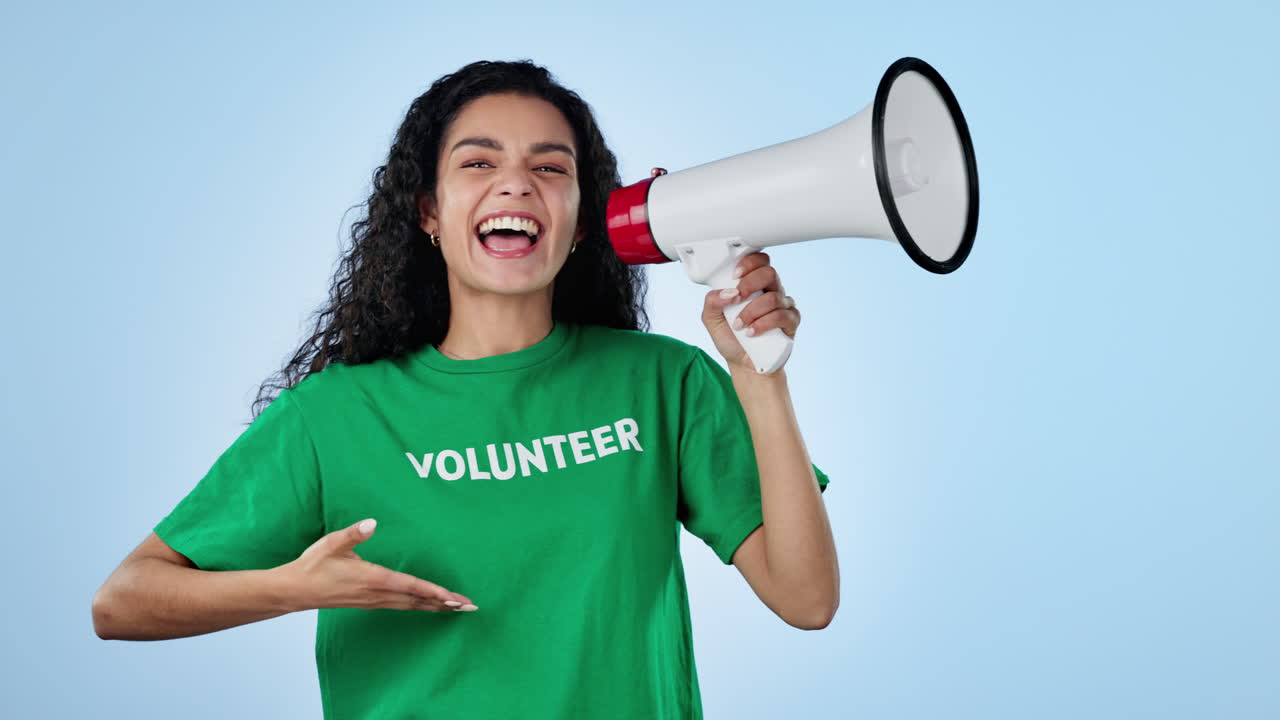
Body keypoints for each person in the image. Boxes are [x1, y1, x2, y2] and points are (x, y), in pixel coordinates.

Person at [91, 59, 838, 719]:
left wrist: (758, 378)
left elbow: (807, 600)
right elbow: (122, 601)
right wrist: (293, 587)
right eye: (478, 164)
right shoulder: (335, 416)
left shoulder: (662, 381)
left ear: (580, 222)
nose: (517, 180)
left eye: (551, 168)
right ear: (429, 212)